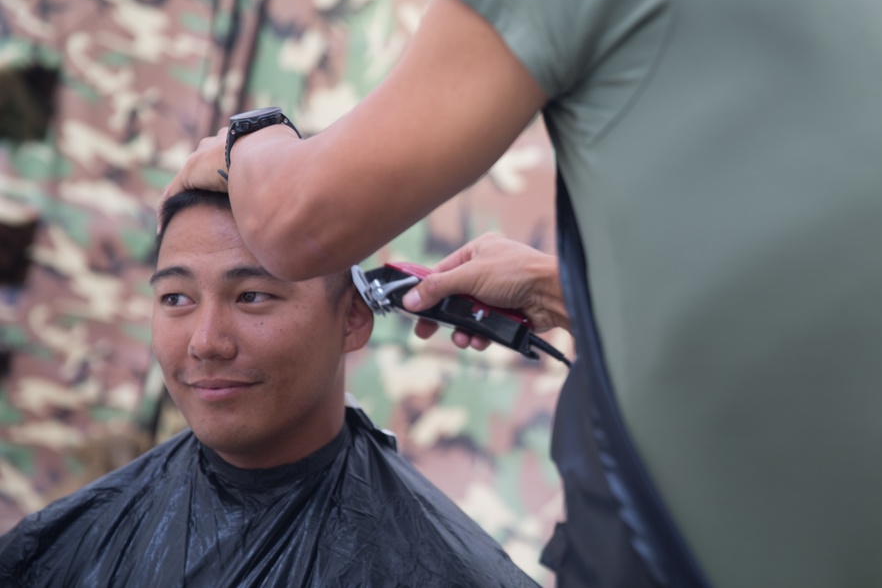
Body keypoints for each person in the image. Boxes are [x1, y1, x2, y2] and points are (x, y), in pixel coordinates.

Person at [162, 0, 882, 586]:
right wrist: (566, 290)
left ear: (349, 320)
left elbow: (302, 220)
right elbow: (878, 304)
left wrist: (243, 144)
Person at [0, 189, 537, 588]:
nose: (206, 342)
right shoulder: (62, 545)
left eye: (253, 296)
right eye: (176, 299)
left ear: (353, 317)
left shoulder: (448, 571)